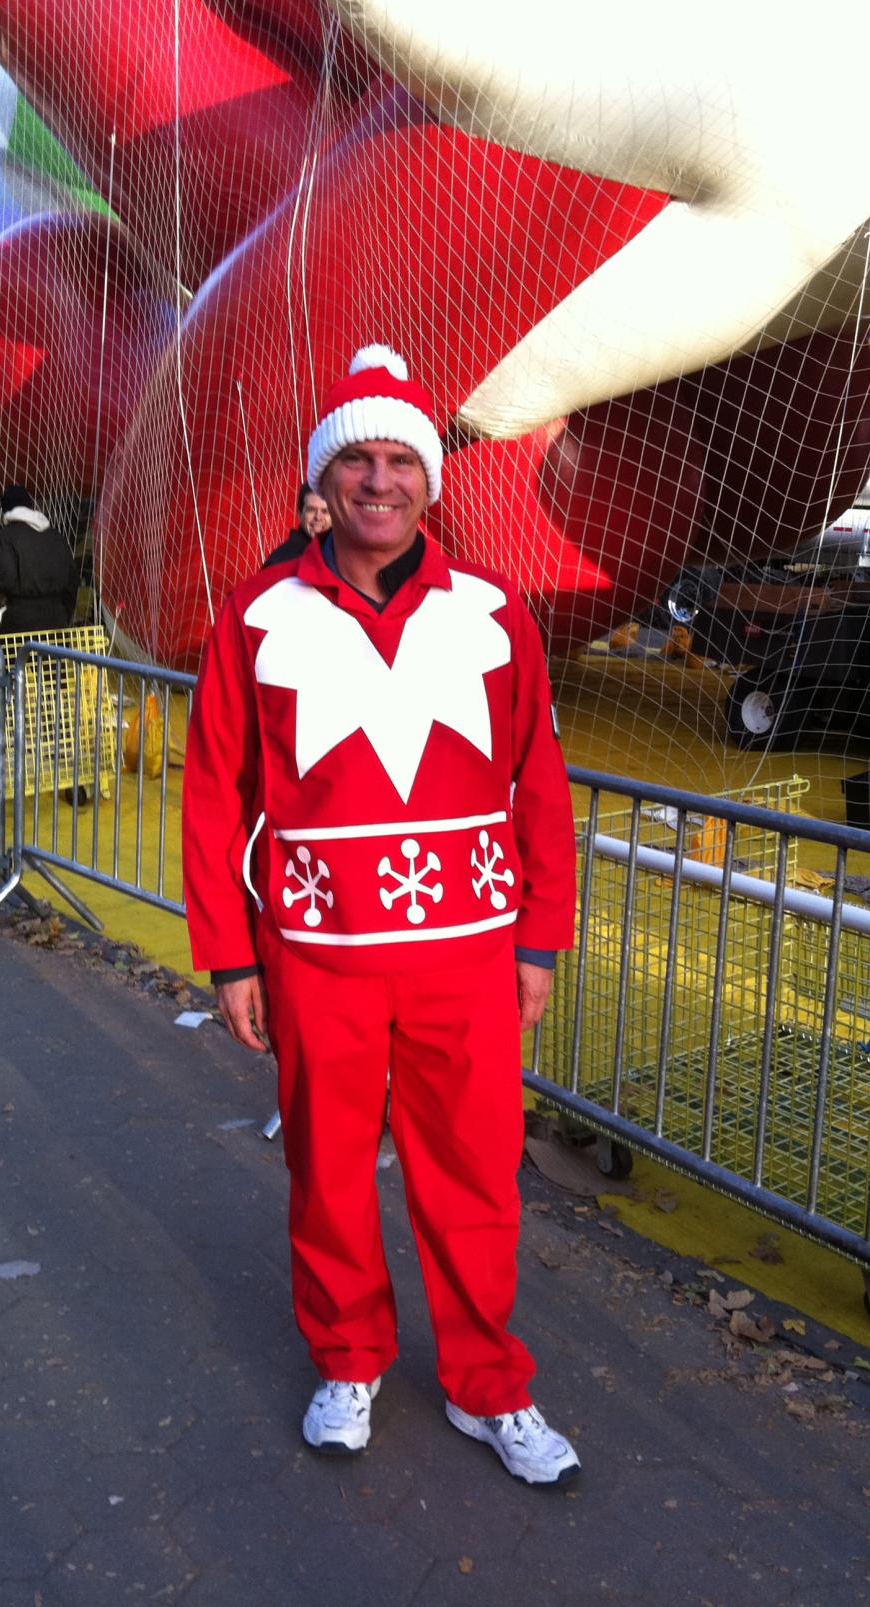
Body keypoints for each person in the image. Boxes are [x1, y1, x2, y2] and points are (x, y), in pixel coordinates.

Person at [183, 345, 581, 1486]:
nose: (380, 478)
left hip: (467, 956)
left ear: (429, 479)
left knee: (476, 1172)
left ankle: (488, 1381)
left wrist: (538, 936)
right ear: (325, 479)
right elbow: (216, 790)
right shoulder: (258, 613)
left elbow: (538, 787)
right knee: (330, 1166)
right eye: (356, 456)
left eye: (401, 456)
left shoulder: (496, 611)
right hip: (318, 956)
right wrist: (227, 957)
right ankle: (349, 1356)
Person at [0, 485, 80, 634]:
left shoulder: (8, 536)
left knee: (10, 657)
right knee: (54, 658)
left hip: (21, 623)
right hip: (57, 622)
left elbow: (2, 576)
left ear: (6, 511)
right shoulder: (56, 537)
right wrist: (64, 615)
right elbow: (72, 580)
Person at [261, 482, 333, 569]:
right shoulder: (281, 560)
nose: (318, 517)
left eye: (325, 511)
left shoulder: (340, 556)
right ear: (299, 514)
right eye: (311, 510)